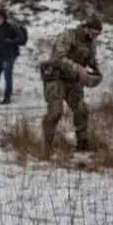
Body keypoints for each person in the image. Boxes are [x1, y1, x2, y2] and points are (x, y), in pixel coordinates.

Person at [39, 18, 103, 151]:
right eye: (93, 33)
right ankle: (47, 146)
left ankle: (83, 144)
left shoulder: (90, 45)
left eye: (97, 35)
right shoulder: (68, 36)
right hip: (56, 78)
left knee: (81, 110)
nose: (94, 37)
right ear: (86, 28)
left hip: (73, 81)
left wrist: (94, 77)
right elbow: (58, 58)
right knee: (55, 112)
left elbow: (92, 65)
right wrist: (78, 69)